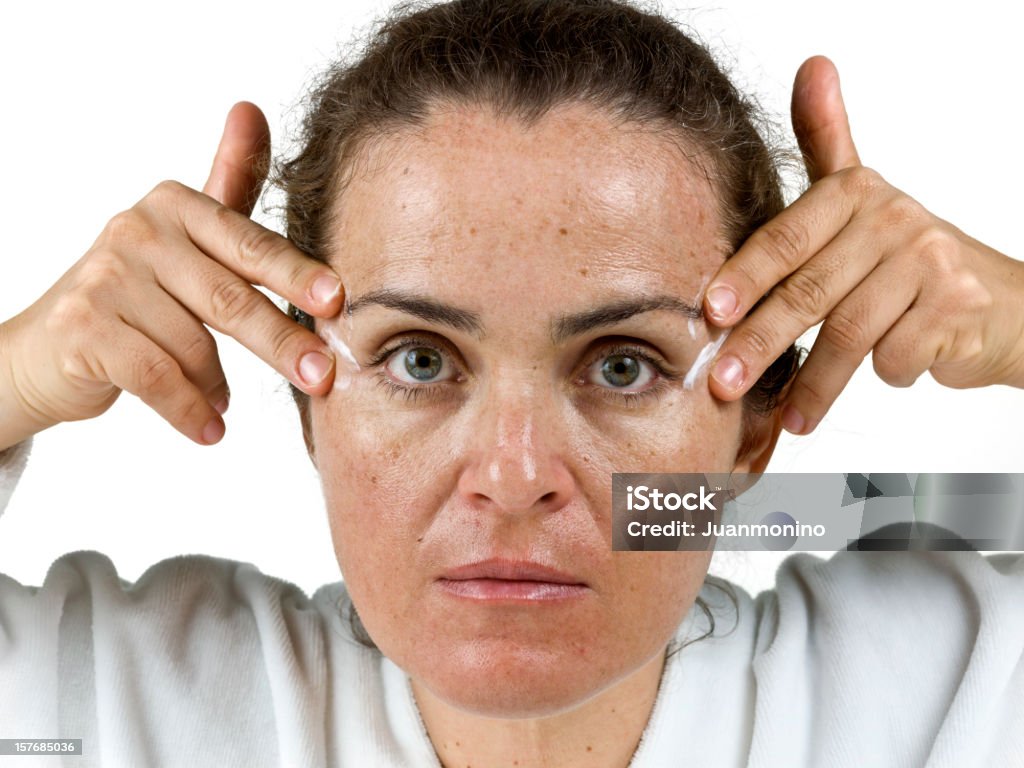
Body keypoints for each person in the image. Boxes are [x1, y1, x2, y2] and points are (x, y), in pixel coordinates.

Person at [1, 0, 1022, 766]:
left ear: (752, 433)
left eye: (624, 367)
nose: (513, 475)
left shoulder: (947, 692)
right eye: (418, 361)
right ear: (311, 400)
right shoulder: (115, 700)